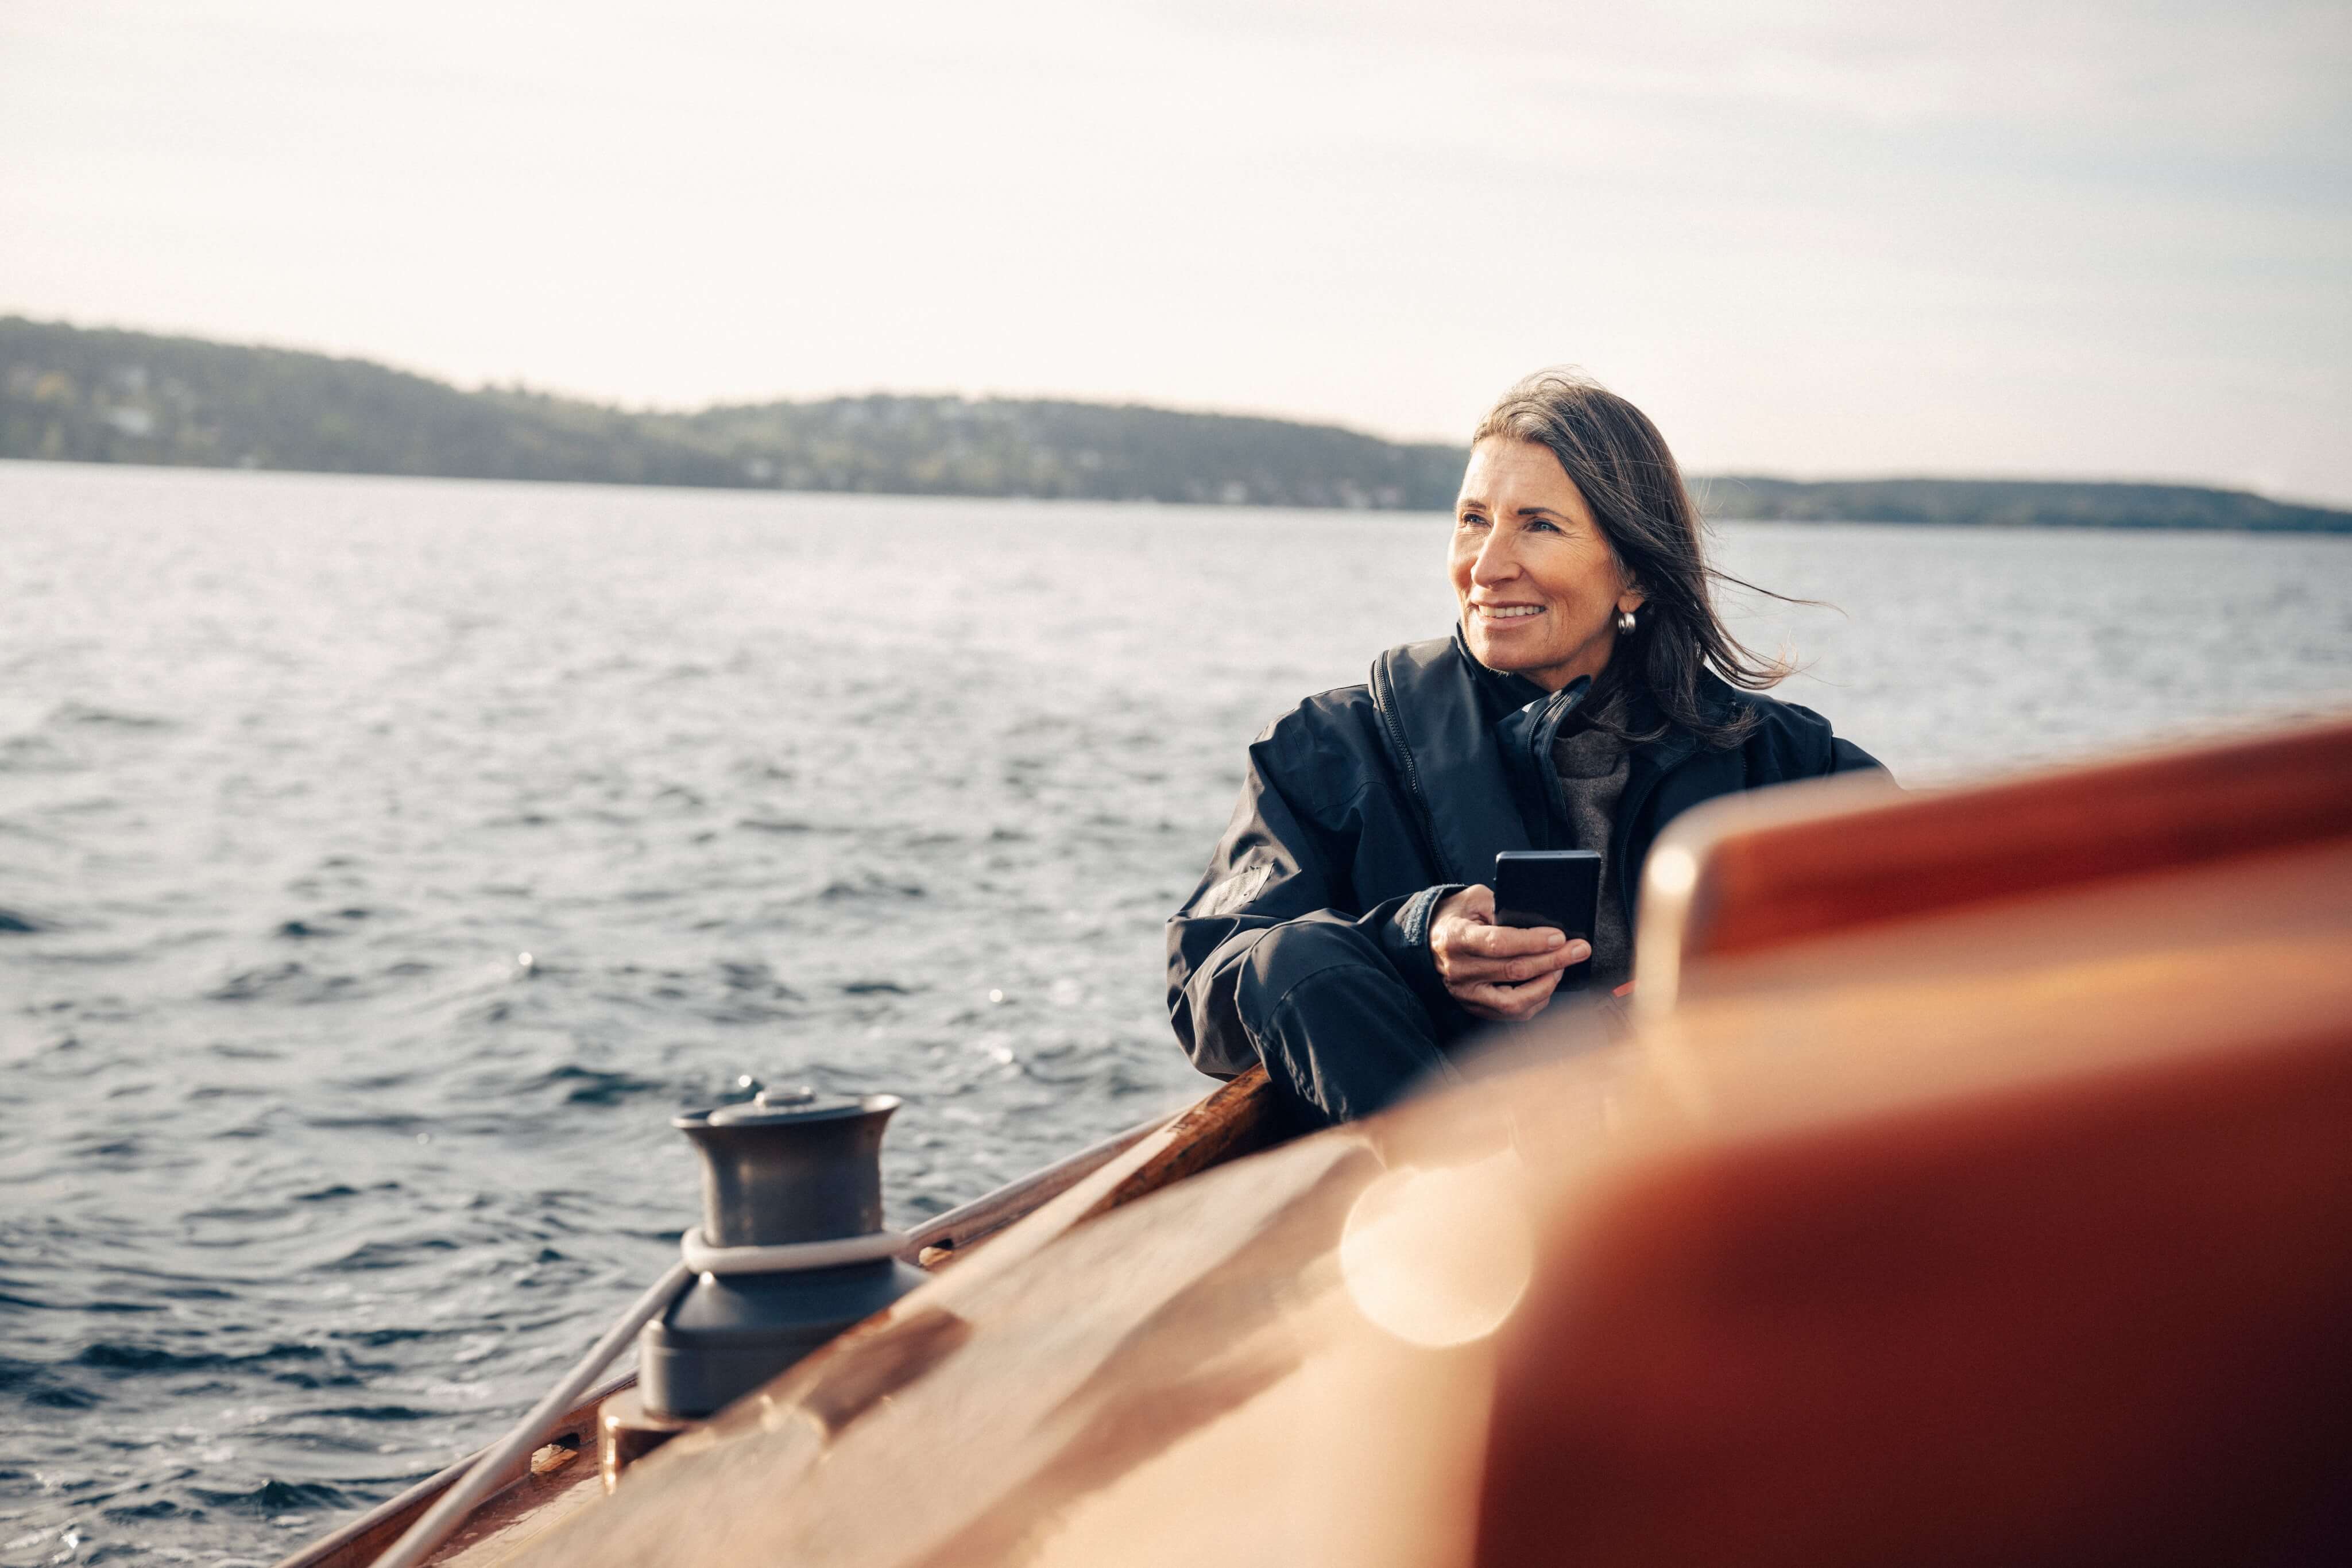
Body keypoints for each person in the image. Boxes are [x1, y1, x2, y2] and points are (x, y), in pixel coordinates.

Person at [1166, 369, 1885, 1129]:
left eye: (1537, 525)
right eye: (1474, 520)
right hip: (1461, 1188)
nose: (1487, 565)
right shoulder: (1328, 753)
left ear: (1634, 573)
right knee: (1293, 956)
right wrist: (1417, 937)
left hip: (1712, 1166)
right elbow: (1206, 989)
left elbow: (1931, 929)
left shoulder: (1781, 762)